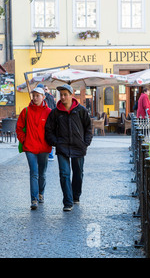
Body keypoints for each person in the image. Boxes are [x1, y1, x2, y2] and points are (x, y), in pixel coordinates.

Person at [45, 84, 93, 212]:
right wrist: (56, 142)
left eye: (66, 94)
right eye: (61, 95)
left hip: (78, 147)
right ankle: (67, 201)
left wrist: (85, 142)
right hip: (63, 148)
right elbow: (48, 130)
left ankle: (75, 195)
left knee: (78, 173)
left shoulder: (81, 110)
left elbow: (88, 127)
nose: (63, 97)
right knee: (64, 174)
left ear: (72, 95)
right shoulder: (55, 112)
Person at [16, 87, 52, 210]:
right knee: (34, 173)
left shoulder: (49, 112)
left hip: (44, 147)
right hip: (30, 147)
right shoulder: (25, 111)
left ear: (43, 97)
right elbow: (19, 128)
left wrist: (51, 141)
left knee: (42, 174)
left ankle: (41, 193)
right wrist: (24, 140)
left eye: (38, 96)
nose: (35, 98)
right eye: (34, 95)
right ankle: (34, 199)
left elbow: (53, 129)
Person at [42, 84, 56, 161]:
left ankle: (49, 154)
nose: (45, 90)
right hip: (50, 118)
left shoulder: (47, 97)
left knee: (47, 136)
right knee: (49, 136)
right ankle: (50, 154)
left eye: (46, 89)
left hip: (48, 118)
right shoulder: (51, 97)